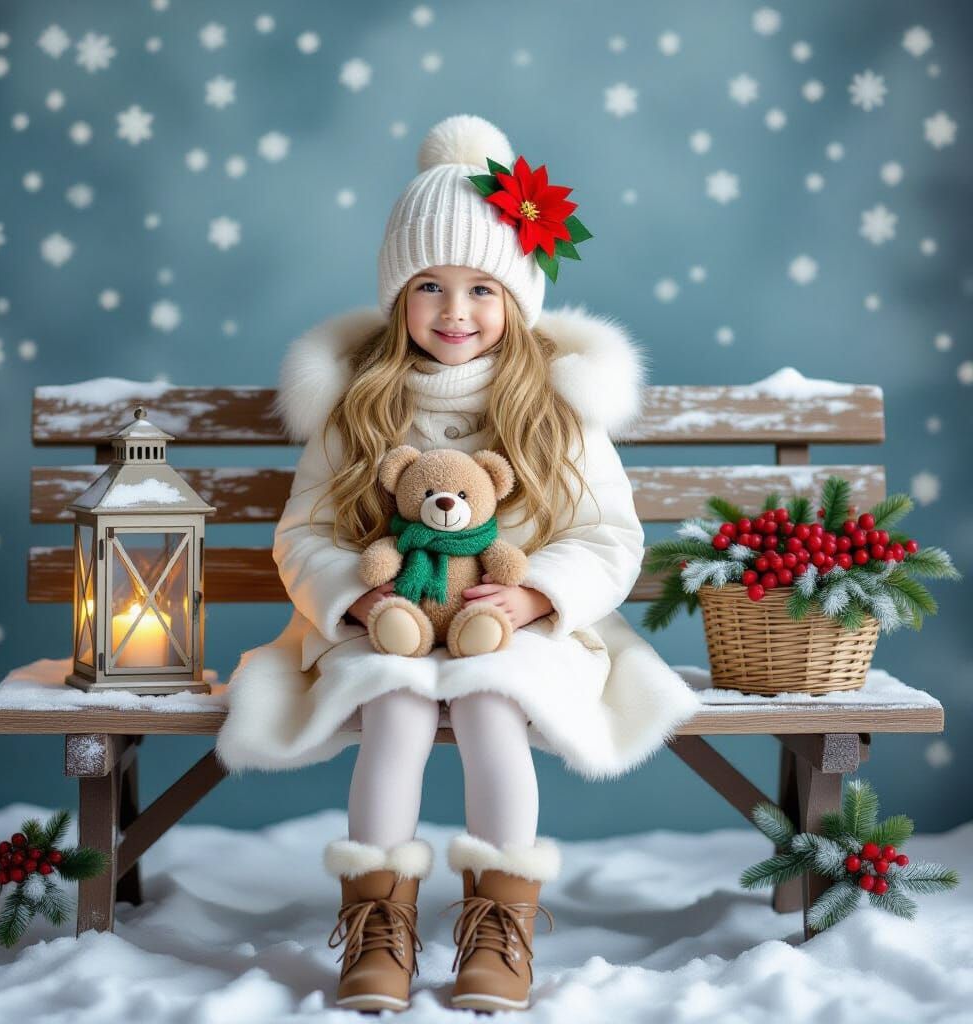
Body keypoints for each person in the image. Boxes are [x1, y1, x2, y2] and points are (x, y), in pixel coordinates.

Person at [216, 114, 701, 1013]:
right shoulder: (361, 405)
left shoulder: (557, 407)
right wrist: (352, 605)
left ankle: (499, 925)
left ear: (518, 297)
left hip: (509, 625)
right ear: (397, 296)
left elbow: (609, 537)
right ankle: (376, 927)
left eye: (483, 287)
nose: (454, 312)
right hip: (390, 618)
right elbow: (304, 534)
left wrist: (536, 598)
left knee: (489, 699)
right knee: (395, 703)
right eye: (429, 285)